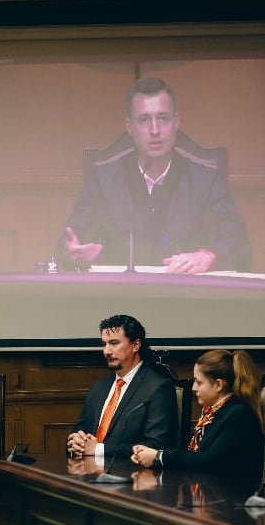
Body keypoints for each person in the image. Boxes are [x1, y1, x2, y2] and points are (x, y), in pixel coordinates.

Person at [56, 77, 250, 274]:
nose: (155, 130)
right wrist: (73, 252)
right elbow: (71, 240)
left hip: (187, 297)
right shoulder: (104, 180)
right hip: (121, 297)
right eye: (144, 120)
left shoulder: (206, 181)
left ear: (176, 122)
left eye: (163, 119)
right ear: (129, 127)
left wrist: (208, 256)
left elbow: (237, 241)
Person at [130, 349, 264, 492]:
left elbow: (207, 461)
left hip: (229, 498)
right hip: (207, 491)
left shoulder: (239, 416)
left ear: (219, 385)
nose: (193, 388)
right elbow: (188, 453)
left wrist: (158, 457)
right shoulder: (211, 412)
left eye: (199, 382)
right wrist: (152, 453)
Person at [67, 314, 178, 466]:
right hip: (87, 473)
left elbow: (156, 446)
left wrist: (99, 450)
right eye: (104, 344)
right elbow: (80, 429)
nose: (107, 351)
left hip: (132, 478)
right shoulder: (99, 387)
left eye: (114, 343)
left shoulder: (158, 387)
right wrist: (76, 441)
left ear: (136, 345)